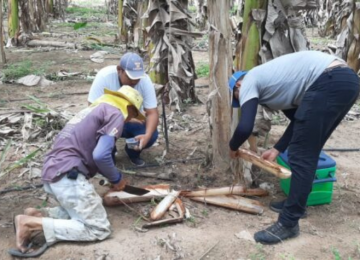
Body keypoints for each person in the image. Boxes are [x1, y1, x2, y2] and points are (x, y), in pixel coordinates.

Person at [228, 50, 359, 244]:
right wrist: (277, 149)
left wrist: (232, 147)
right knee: (309, 149)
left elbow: (245, 126)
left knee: (301, 154)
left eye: (238, 96)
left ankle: (288, 223)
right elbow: (299, 121)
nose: (242, 99)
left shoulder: (249, 80)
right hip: (346, 81)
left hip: (329, 80)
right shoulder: (279, 87)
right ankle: (296, 204)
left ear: (238, 85)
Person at [9, 86, 145, 258]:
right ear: (129, 107)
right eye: (133, 115)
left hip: (55, 170)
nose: (129, 120)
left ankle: (38, 214)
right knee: (98, 228)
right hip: (69, 174)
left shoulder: (95, 109)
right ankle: (30, 224)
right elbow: (101, 155)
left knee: (86, 206)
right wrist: (116, 179)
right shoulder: (116, 113)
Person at [88, 52, 159, 166]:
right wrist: (124, 118)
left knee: (151, 133)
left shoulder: (145, 80)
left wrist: (147, 136)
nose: (134, 81)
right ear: (119, 70)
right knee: (95, 128)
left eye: (137, 78)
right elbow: (92, 109)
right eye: (130, 77)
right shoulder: (104, 77)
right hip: (107, 121)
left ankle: (133, 152)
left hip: (133, 122)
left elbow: (152, 113)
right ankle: (109, 152)